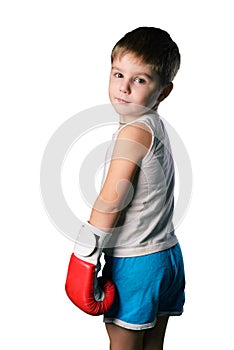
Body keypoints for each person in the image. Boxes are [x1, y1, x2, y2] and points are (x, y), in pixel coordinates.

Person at [65, 26, 185, 350]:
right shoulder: (154, 125)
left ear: (163, 91)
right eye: (118, 74)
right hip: (167, 256)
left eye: (140, 80)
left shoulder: (133, 133)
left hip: (136, 263)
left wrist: (83, 257)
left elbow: (110, 200)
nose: (125, 88)